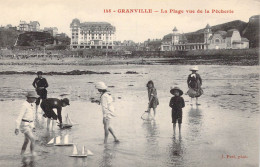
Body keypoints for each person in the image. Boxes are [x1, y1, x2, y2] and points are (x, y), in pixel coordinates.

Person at [15, 91, 38, 156]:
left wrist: (33, 126)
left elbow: (31, 117)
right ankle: (32, 154)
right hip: (24, 125)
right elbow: (19, 117)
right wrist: (17, 128)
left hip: (29, 125)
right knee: (33, 139)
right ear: (29, 98)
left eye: (35, 98)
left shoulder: (31, 104)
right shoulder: (24, 105)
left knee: (26, 141)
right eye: (34, 98)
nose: (35, 99)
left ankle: (22, 154)